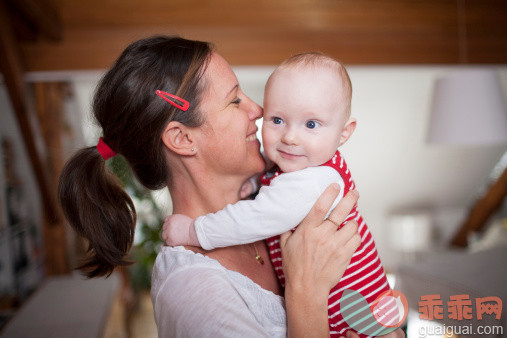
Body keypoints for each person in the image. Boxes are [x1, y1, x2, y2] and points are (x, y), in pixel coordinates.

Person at [57, 36, 374, 337]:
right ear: (183, 139)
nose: (259, 111)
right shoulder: (193, 291)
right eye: (235, 100)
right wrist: (306, 294)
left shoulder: (273, 191)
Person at [162, 52, 395, 337]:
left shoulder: (314, 179)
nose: (289, 137)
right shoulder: (195, 289)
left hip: (355, 323)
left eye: (311, 124)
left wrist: (194, 231)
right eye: (277, 119)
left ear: (344, 133)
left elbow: (258, 216)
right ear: (183, 138)